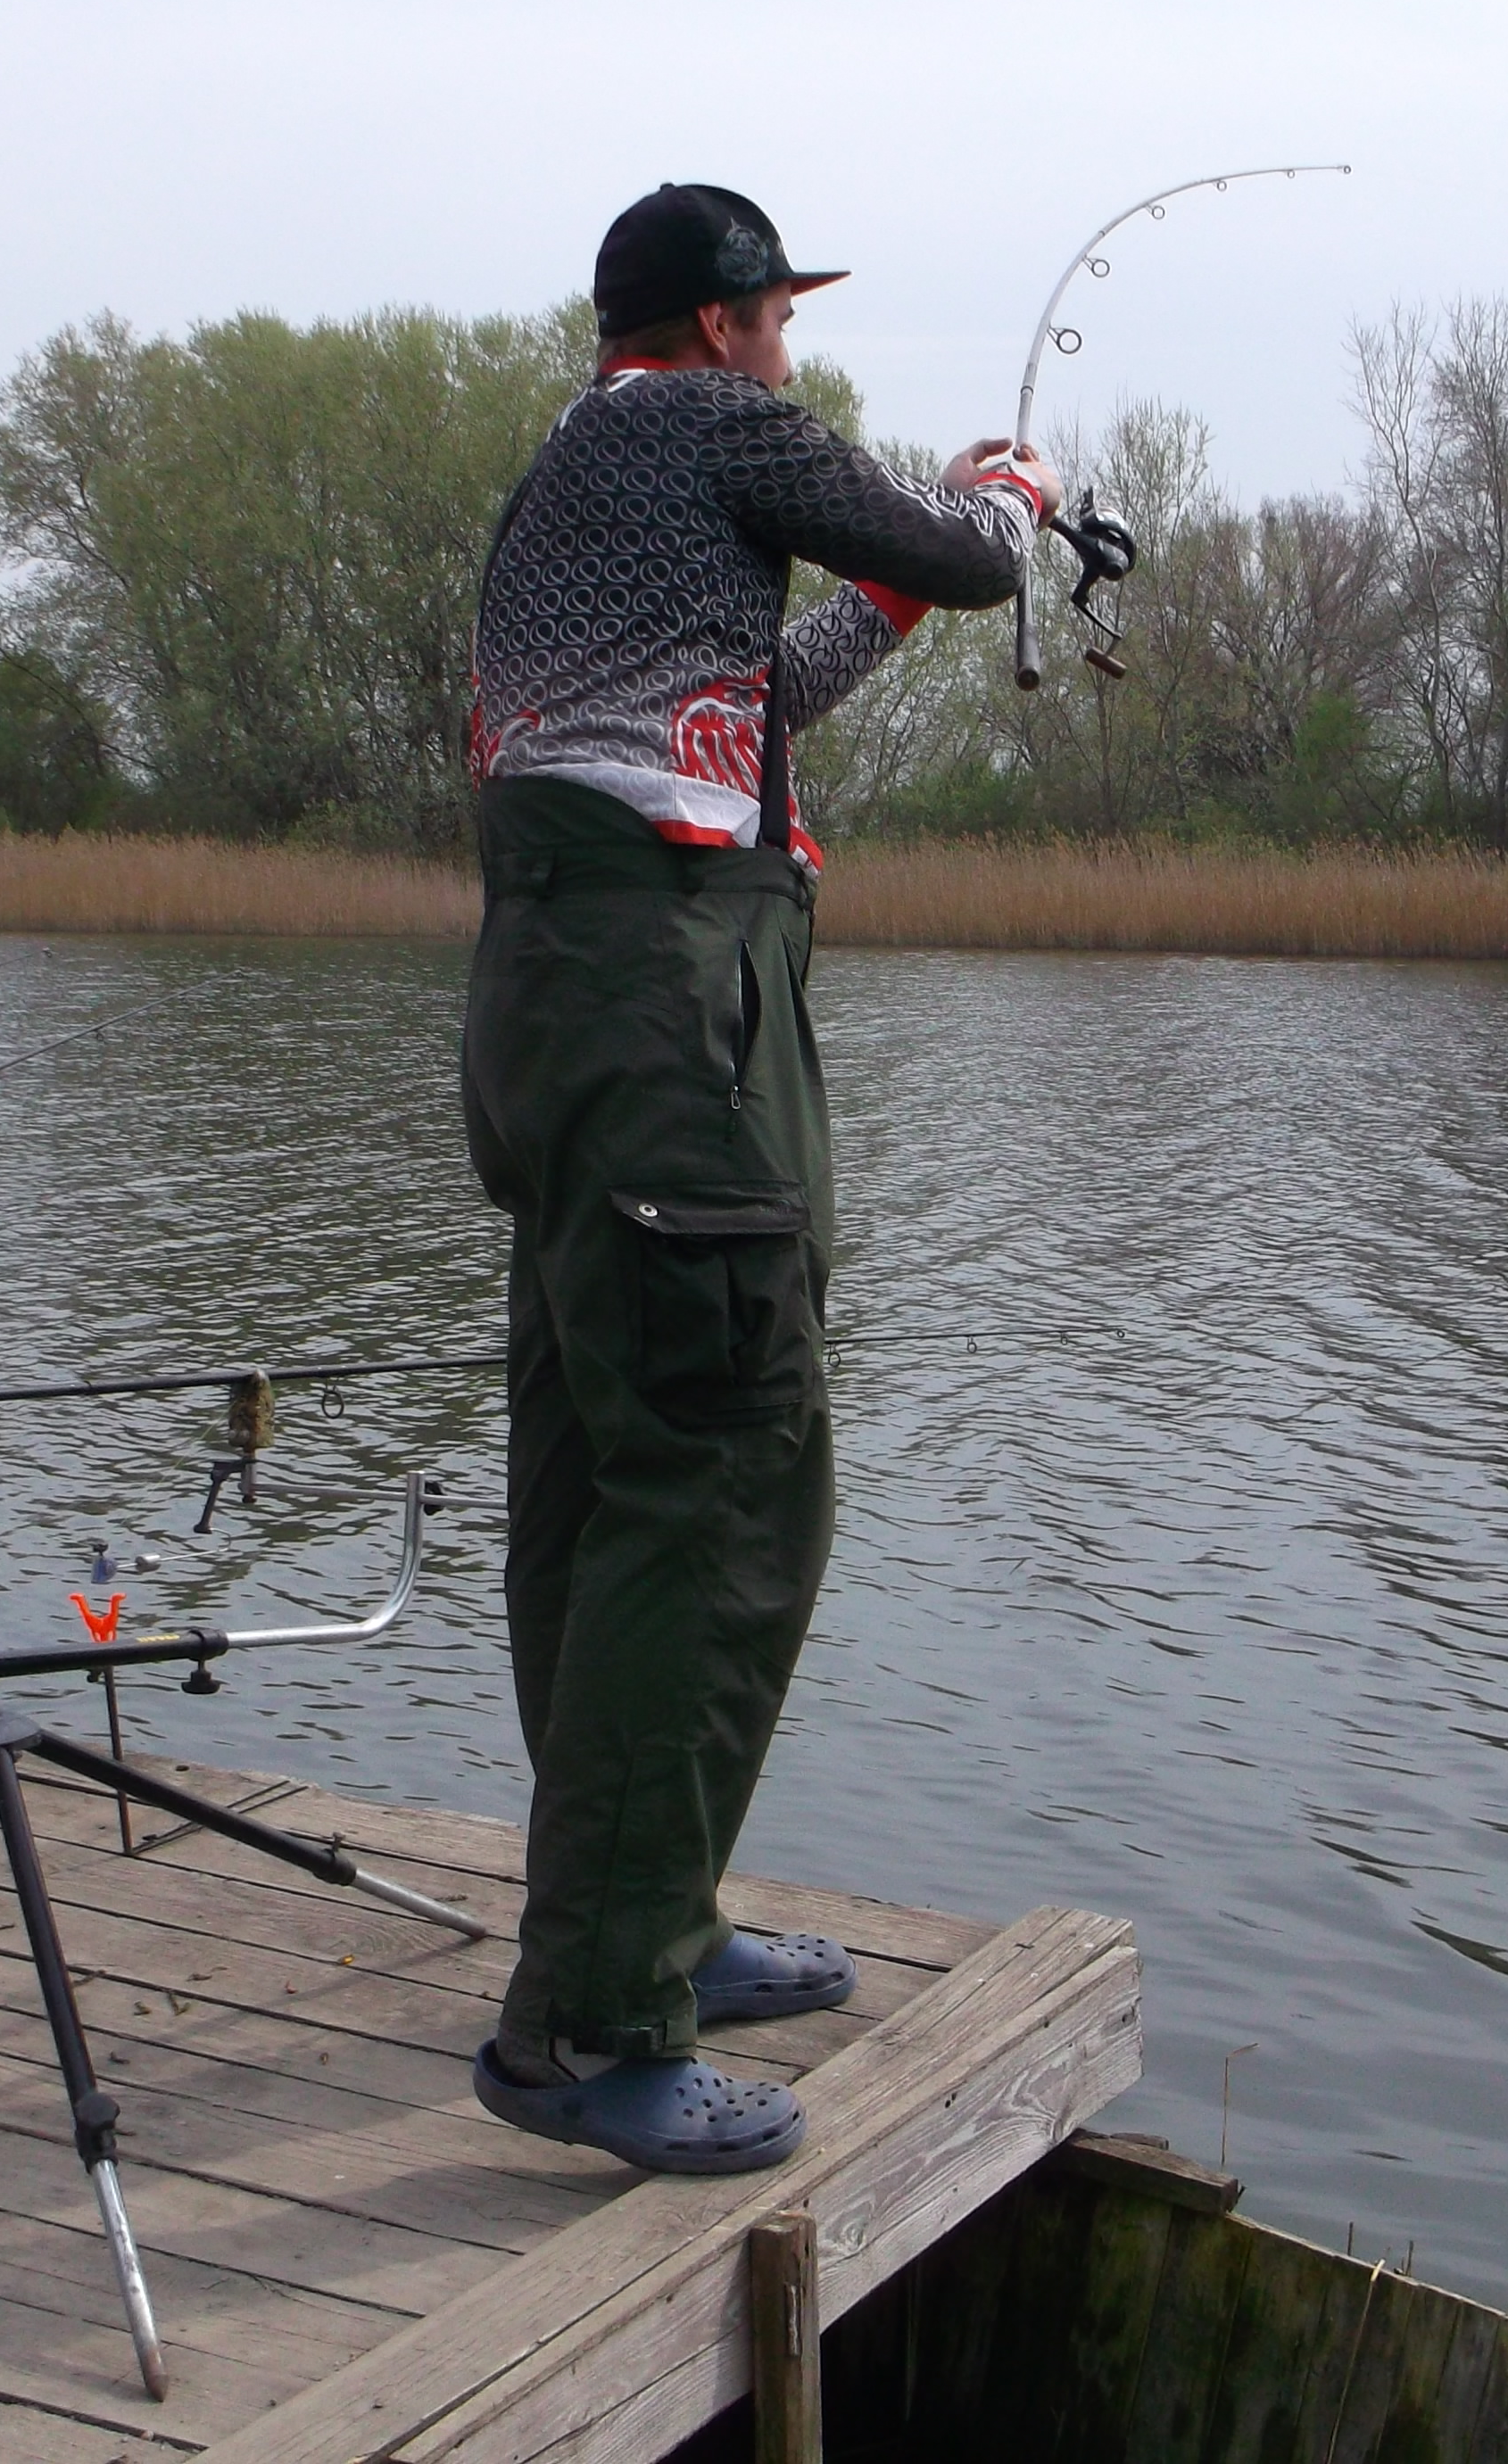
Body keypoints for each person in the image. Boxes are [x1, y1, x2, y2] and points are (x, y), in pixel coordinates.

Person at [459, 184, 1048, 2172]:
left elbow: (757, 700)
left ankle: (650, 1928)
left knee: (600, 1472)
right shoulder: (704, 419)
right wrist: (1006, 499)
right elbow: (967, 550)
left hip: (571, 1007)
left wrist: (891, 599)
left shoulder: (578, 480)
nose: (790, 348)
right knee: (722, 1478)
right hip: (662, 1005)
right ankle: (596, 2023)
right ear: (722, 324)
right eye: (780, 317)